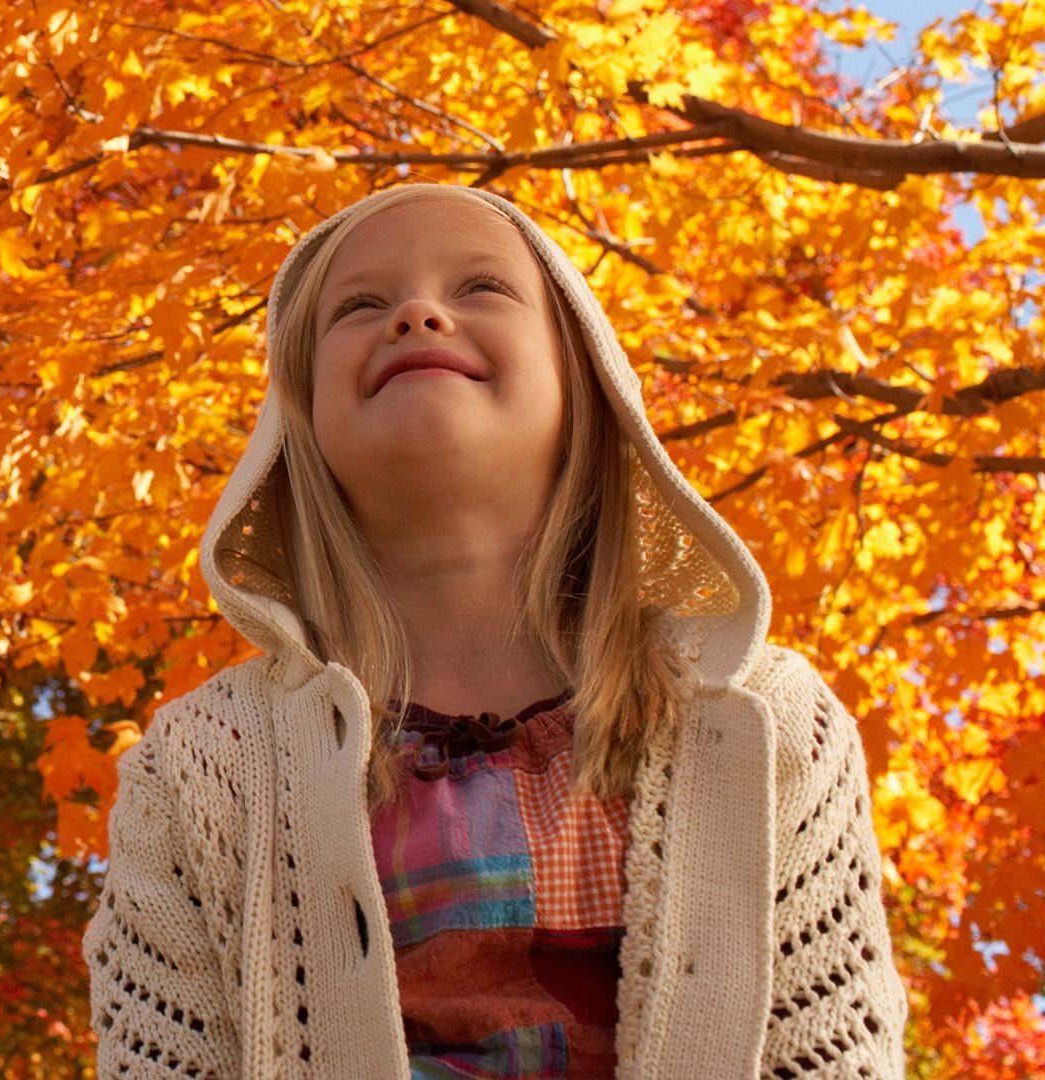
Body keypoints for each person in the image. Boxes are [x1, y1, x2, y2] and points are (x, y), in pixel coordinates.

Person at [81, 183, 910, 1079]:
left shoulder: (765, 723)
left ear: (586, 381)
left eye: (481, 288)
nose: (416, 313)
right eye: (358, 307)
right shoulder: (203, 765)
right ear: (297, 423)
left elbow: (834, 1053)